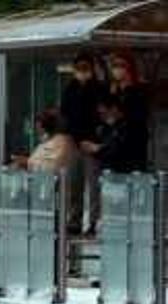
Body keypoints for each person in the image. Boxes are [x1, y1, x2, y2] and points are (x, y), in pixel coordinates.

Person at [60, 53, 103, 235]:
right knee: (74, 183)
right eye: (79, 68)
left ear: (92, 69)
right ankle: (74, 220)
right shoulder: (71, 88)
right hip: (74, 141)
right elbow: (65, 112)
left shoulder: (99, 88)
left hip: (91, 142)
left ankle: (93, 222)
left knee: (94, 184)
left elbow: (101, 113)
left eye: (86, 68)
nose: (82, 72)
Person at [106, 51, 149, 172]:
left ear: (129, 68)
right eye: (114, 65)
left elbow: (139, 115)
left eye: (121, 65)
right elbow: (108, 113)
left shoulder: (139, 90)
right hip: (116, 145)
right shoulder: (114, 90)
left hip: (134, 144)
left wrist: (119, 114)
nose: (117, 69)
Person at [82, 97, 140, 175]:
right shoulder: (105, 127)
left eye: (104, 113)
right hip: (109, 172)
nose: (102, 117)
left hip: (127, 173)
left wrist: (98, 148)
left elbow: (120, 149)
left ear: (114, 109)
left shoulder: (131, 126)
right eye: (100, 114)